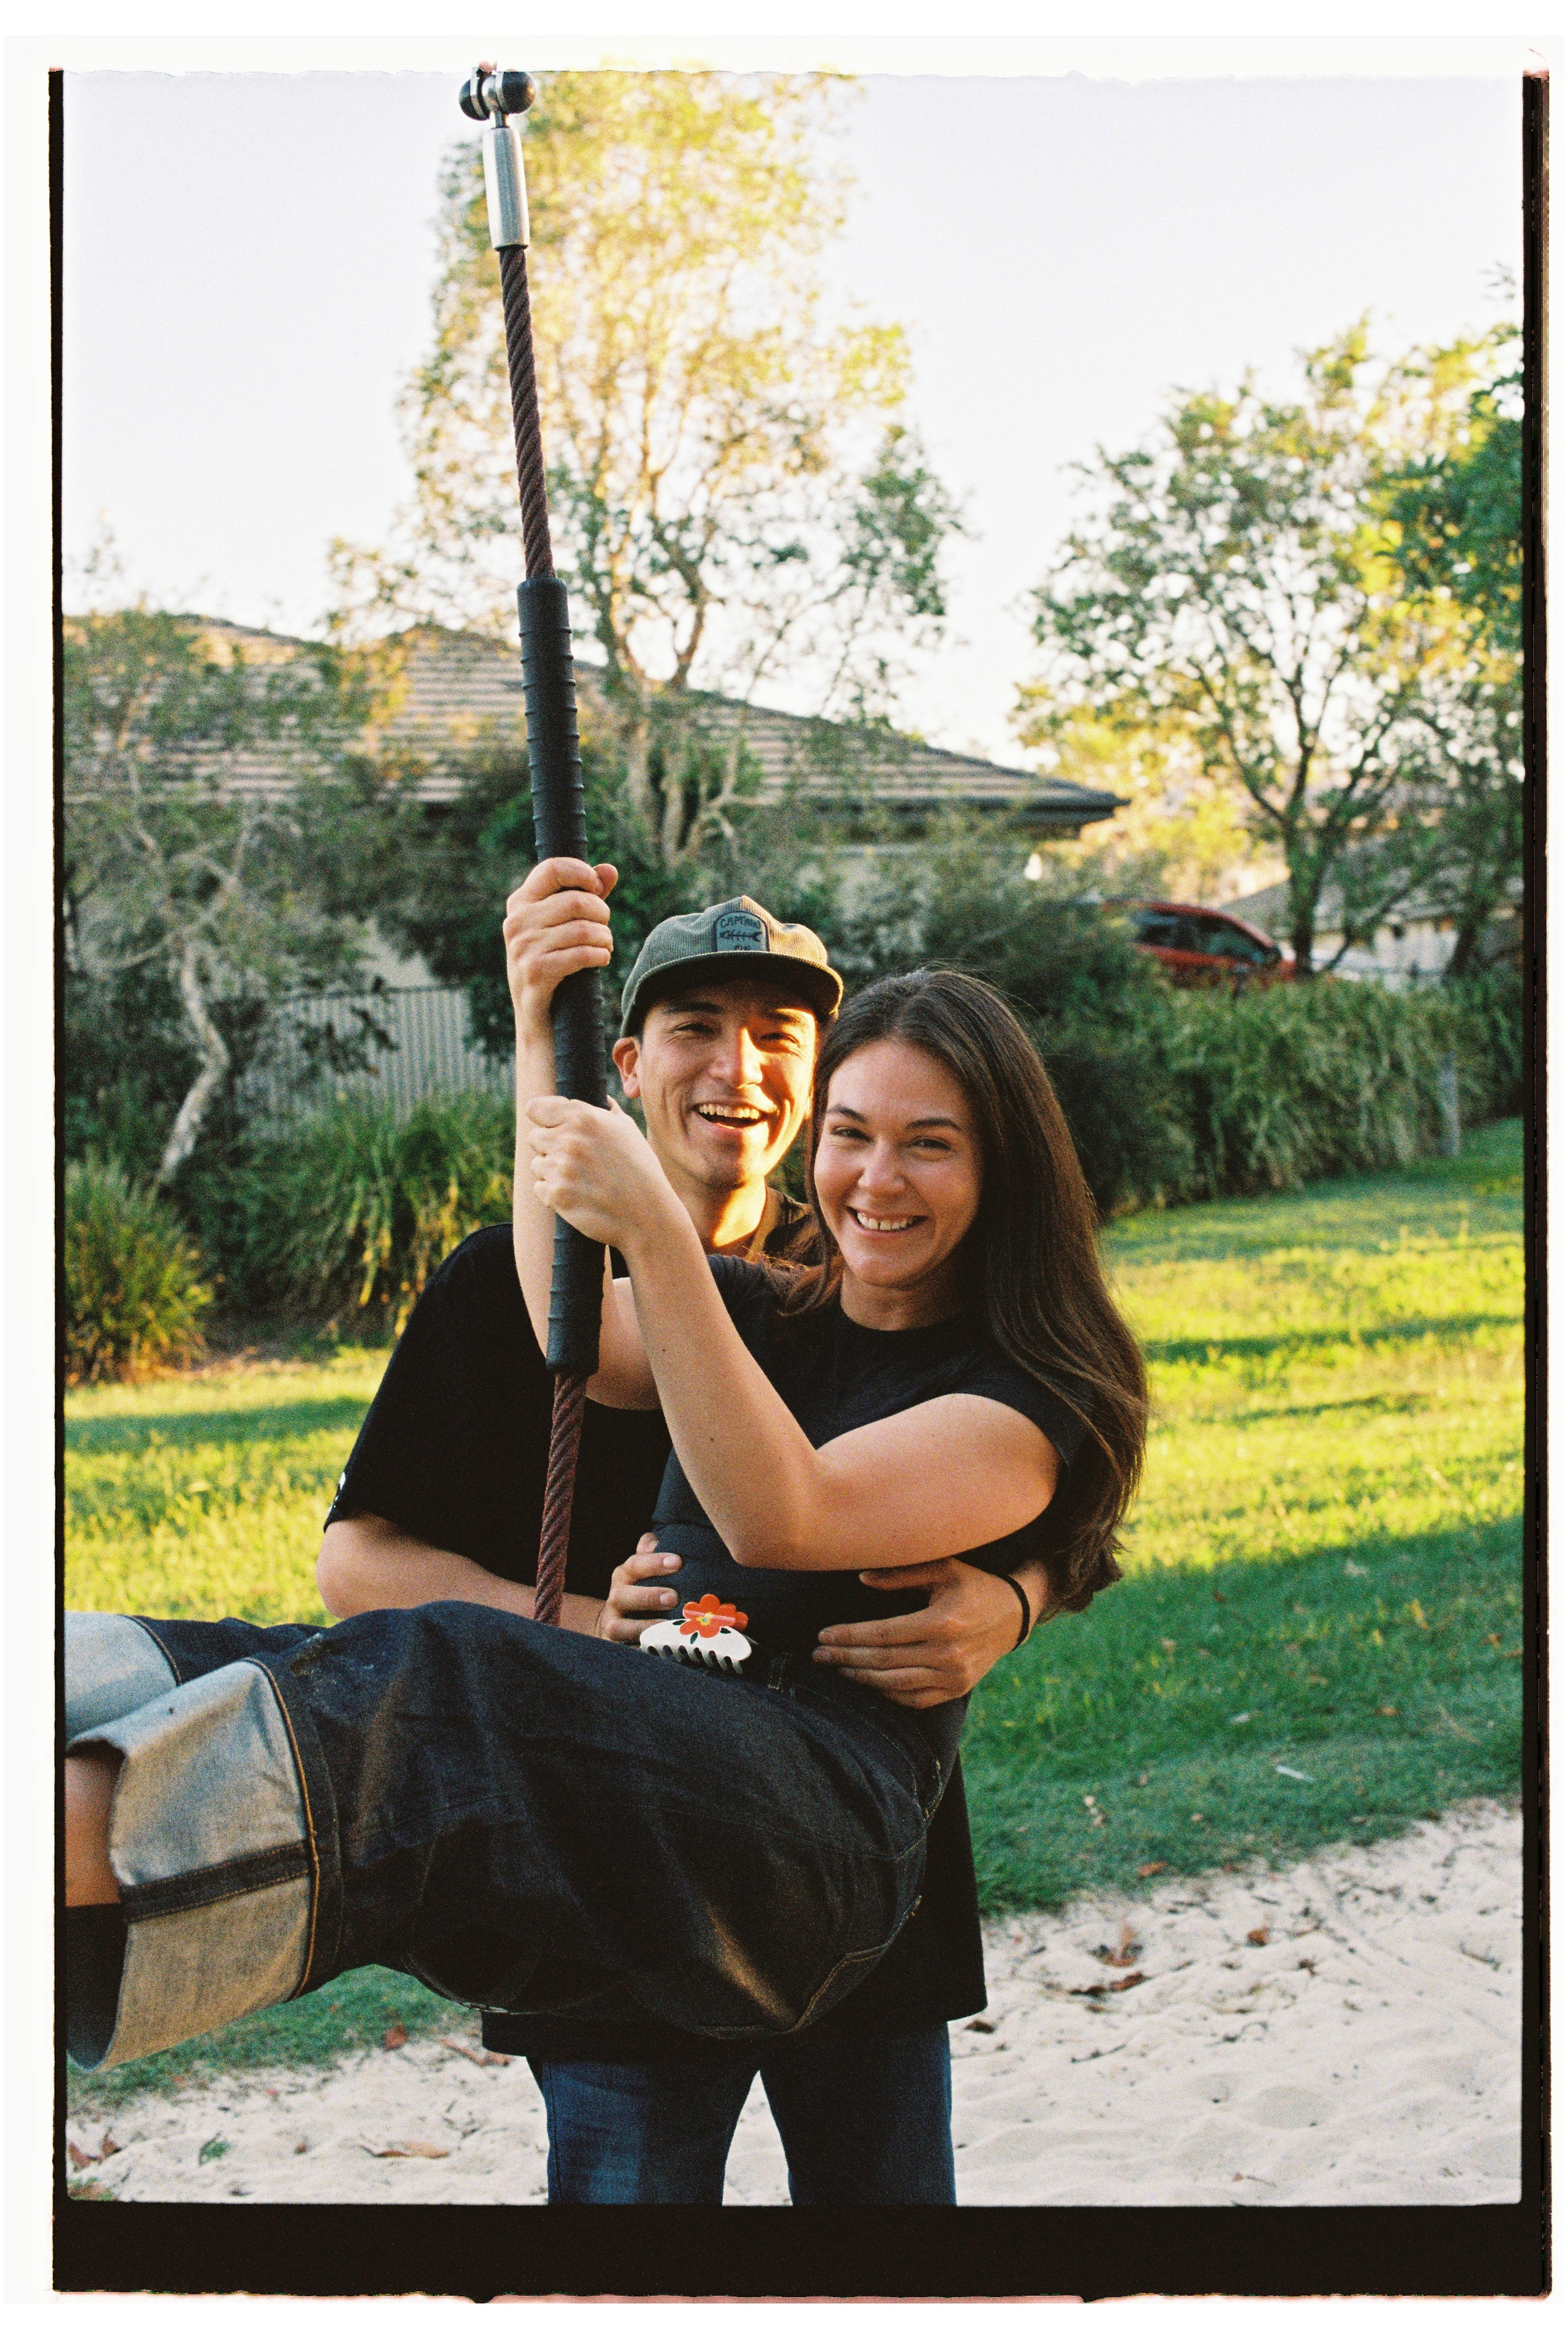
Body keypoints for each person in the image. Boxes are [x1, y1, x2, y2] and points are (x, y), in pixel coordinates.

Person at [64, 954, 1147, 2207]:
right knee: (302, 1660)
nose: (875, 1175)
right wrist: (538, 1031)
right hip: (654, 1789)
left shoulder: (1025, 1393)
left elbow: (784, 1508)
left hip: (814, 1847)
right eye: (851, 1135)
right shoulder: (789, 1304)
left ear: (1002, 1167)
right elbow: (565, 1316)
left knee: (454, 1686)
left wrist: (654, 1231)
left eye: (929, 1143)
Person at [313, 864, 1062, 2203]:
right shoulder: (512, 1279)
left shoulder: (857, 1256)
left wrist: (1017, 1590)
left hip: (847, 1856)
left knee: (888, 2234)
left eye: (778, 1034)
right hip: (620, 1871)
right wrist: (587, 1629)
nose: (739, 1065)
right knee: (633, 2230)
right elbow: (355, 1564)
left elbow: (1049, 1442)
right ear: (626, 1059)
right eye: (695, 1025)